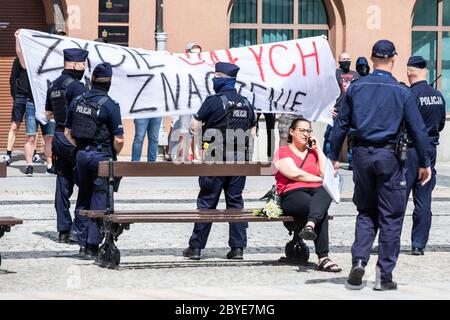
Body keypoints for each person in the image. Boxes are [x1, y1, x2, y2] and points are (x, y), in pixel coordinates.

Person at [329, 40, 432, 291]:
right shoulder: (401, 92)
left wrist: (333, 155)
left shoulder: (355, 88)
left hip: (361, 156)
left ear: (372, 58)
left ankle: (360, 260)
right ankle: (383, 275)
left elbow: (341, 123)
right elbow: (418, 130)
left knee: (365, 211)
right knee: (391, 216)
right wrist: (425, 162)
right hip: (390, 158)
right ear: (394, 58)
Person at [183, 62, 257, 260]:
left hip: (214, 158)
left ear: (224, 78)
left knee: (207, 202)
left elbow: (194, 125)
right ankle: (238, 248)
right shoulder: (246, 102)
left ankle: (196, 248)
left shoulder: (213, 101)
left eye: (216, 76)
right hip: (239, 160)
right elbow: (252, 132)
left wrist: (198, 152)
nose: (214, 79)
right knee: (235, 202)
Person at [65, 62, 124, 258]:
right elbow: (119, 139)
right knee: (99, 198)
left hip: (82, 155)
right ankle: (92, 244)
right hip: (101, 157)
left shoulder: (77, 101)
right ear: (109, 82)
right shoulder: (111, 105)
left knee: (83, 196)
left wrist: (82, 147)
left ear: (92, 80)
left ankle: (82, 243)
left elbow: (67, 132)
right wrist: (112, 152)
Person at [273, 117, 342, 272]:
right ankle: (323, 258)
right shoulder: (282, 152)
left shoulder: (313, 153)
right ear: (291, 132)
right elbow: (295, 174)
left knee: (325, 192)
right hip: (292, 193)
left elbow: (326, 174)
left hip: (316, 193)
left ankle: (310, 225)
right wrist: (319, 178)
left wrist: (318, 150)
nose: (305, 134)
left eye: (308, 130)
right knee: (320, 211)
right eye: (301, 130)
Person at [46, 48, 88, 243]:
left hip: (57, 137)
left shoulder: (53, 84)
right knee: (87, 182)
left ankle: (63, 230)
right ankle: (80, 228)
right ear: (74, 64)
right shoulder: (77, 87)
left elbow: (48, 114)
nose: (84, 67)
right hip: (72, 138)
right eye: (83, 63)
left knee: (63, 183)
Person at [405, 56, 446, 256]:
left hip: (410, 151)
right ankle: (418, 244)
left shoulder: (409, 95)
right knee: (424, 199)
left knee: (398, 198)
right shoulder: (438, 95)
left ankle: (390, 240)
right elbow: (440, 125)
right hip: (431, 150)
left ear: (409, 72)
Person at [323, 52, 360, 168]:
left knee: (352, 138)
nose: (346, 61)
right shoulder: (334, 74)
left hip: (352, 112)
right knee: (331, 137)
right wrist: (328, 107)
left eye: (348, 59)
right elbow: (325, 91)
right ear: (339, 61)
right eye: (344, 59)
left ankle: (352, 162)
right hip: (336, 111)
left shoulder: (356, 74)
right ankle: (326, 162)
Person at [168, 42, 202, 161]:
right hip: (183, 104)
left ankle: (193, 155)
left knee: (195, 131)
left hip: (196, 103)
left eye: (199, 53)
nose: (196, 56)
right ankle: (180, 156)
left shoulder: (201, 67)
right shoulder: (181, 65)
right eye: (193, 53)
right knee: (182, 131)